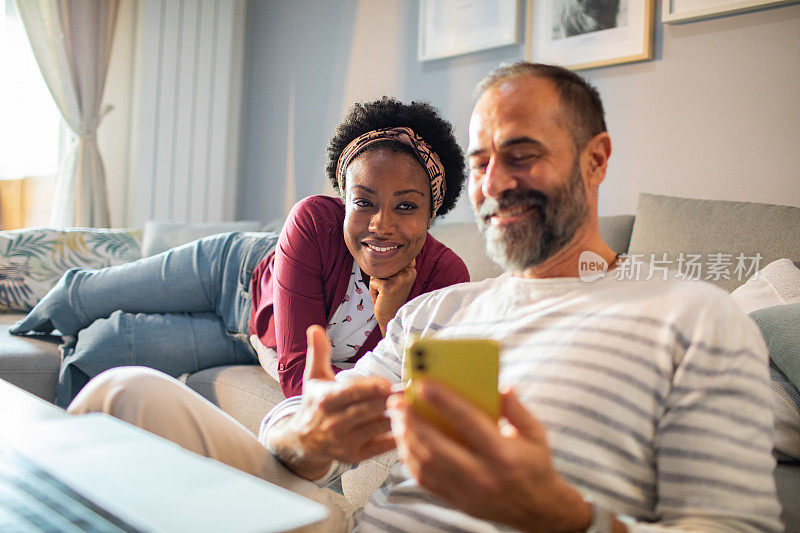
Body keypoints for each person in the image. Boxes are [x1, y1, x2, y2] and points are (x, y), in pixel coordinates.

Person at [69, 62, 781, 532]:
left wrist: (567, 515)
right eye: (481, 162)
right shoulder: (442, 311)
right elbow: (296, 422)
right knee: (123, 392)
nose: (495, 182)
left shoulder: (692, 315)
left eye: (522, 153)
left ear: (595, 160)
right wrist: (309, 437)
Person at [11, 97, 469, 405]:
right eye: (363, 202)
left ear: (432, 213)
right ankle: (43, 320)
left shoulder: (448, 279)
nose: (380, 225)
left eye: (405, 206)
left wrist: (392, 320)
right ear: (343, 199)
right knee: (83, 299)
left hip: (250, 340)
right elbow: (300, 374)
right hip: (231, 271)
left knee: (106, 346)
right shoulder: (314, 219)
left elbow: (433, 396)